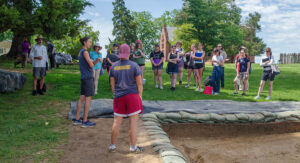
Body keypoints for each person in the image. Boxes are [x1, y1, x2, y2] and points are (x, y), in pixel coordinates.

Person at [108, 43, 144, 153]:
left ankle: (112, 145)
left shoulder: (114, 66)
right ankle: (133, 147)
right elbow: (139, 84)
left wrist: (117, 94)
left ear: (119, 53)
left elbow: (112, 85)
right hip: (132, 96)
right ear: (129, 53)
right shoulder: (134, 66)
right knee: (133, 122)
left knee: (117, 121)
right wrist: (140, 97)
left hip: (119, 97)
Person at [73, 36, 101, 128]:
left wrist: (94, 60)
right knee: (88, 99)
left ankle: (77, 119)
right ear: (84, 42)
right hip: (88, 78)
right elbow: (91, 65)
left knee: (82, 98)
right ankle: (84, 121)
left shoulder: (81, 52)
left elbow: (88, 63)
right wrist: (98, 59)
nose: (90, 43)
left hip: (84, 77)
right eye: (89, 42)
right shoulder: (85, 52)